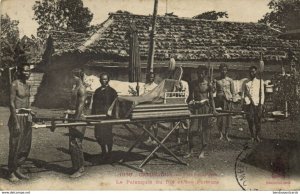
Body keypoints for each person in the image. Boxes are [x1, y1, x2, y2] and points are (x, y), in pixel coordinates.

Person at [185, 66, 217, 159]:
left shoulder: (208, 85)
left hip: (205, 108)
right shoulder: (193, 83)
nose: (200, 75)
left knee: (205, 130)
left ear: (205, 74)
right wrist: (189, 105)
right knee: (192, 130)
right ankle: (190, 151)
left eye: (202, 73)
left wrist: (214, 110)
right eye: (199, 73)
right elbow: (190, 97)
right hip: (196, 108)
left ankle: (202, 151)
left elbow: (211, 99)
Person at [7, 64, 32, 182]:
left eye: (29, 71)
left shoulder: (27, 85)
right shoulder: (14, 84)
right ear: (20, 71)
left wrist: (31, 114)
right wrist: (16, 122)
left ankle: (18, 168)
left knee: (25, 145)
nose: (28, 73)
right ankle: (11, 172)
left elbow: (27, 102)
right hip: (16, 118)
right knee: (15, 145)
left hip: (27, 117)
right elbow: (11, 103)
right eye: (25, 71)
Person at [92, 73, 117, 160]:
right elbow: (94, 104)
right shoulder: (97, 91)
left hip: (107, 117)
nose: (104, 81)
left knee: (107, 135)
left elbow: (115, 105)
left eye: (106, 79)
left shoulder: (112, 91)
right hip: (97, 116)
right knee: (98, 135)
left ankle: (109, 153)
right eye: (102, 79)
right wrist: (92, 116)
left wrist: (112, 115)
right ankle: (103, 152)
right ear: (100, 80)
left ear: (108, 80)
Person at [68, 68, 87, 178]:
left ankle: (80, 168)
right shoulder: (75, 88)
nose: (71, 79)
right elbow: (72, 103)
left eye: (73, 77)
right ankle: (76, 166)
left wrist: (75, 121)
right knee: (72, 143)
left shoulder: (81, 89)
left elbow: (80, 106)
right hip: (73, 116)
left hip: (79, 118)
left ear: (77, 77)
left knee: (76, 143)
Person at [242, 66, 265, 142]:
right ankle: (252, 135)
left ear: (256, 72)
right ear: (249, 72)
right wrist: (244, 102)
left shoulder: (260, 82)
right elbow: (243, 93)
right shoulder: (246, 82)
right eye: (251, 72)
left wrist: (261, 104)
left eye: (253, 71)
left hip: (257, 103)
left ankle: (257, 135)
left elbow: (262, 94)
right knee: (250, 120)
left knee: (257, 121)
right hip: (249, 103)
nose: (252, 73)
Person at [215, 63, 235, 141]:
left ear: (227, 71)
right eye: (222, 70)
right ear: (220, 70)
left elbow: (233, 92)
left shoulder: (230, 80)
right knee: (219, 117)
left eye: (225, 70)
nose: (223, 71)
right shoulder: (216, 80)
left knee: (228, 118)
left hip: (228, 101)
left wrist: (232, 100)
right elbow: (213, 90)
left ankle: (226, 134)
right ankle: (220, 134)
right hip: (219, 100)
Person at [142, 72, 159, 145]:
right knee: (147, 123)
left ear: (154, 78)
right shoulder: (145, 86)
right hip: (146, 106)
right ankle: (148, 138)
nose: (151, 78)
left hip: (153, 106)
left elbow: (157, 96)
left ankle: (155, 138)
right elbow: (143, 95)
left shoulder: (156, 86)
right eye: (150, 77)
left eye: (152, 77)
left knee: (154, 124)